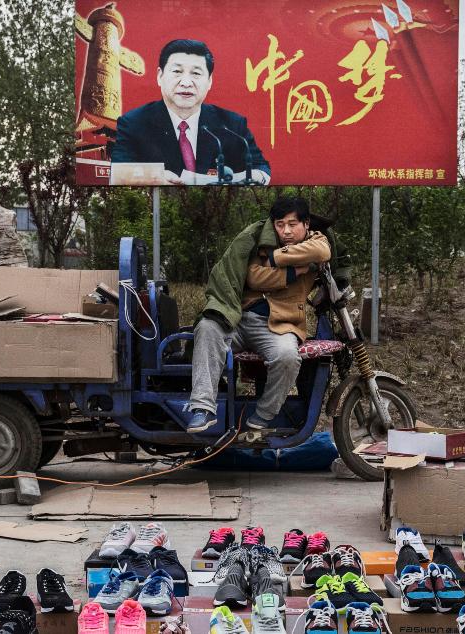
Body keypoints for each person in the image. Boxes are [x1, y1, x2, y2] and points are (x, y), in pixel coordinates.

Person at [186, 195, 330, 432]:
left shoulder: (317, 241)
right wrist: (299, 269)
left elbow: (322, 251)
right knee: (207, 327)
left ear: (306, 225)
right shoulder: (262, 242)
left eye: (292, 225)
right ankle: (202, 408)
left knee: (287, 357)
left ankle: (263, 416)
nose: (286, 231)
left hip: (280, 325)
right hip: (239, 319)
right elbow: (254, 276)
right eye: (280, 224)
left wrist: (275, 259)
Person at [111, 39, 271, 185]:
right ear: (160, 76)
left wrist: (254, 177)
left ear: (209, 81)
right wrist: (155, 177)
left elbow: (261, 168)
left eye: (196, 73)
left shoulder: (231, 124)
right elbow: (118, 173)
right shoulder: (133, 123)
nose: (186, 83)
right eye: (177, 72)